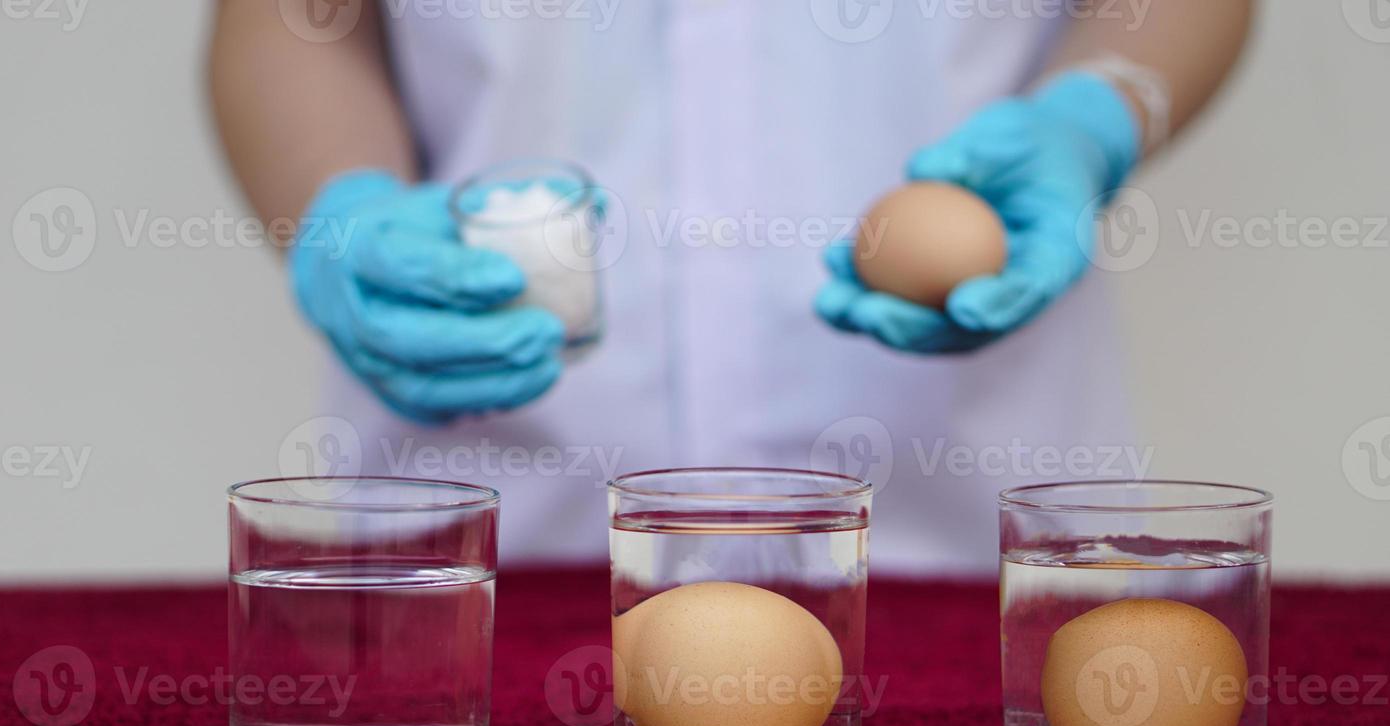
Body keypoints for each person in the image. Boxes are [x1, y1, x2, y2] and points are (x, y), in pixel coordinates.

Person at [209, 0, 1254, 573]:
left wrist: (1100, 112)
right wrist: (336, 212)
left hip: (962, 553)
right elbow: (295, 22)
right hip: (480, 562)